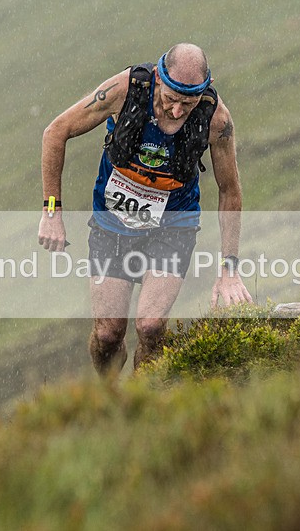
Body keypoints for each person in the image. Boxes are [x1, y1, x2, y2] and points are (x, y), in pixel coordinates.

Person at [38, 43, 252, 376]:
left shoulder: (216, 119)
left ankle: (144, 403)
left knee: (151, 327)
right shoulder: (125, 90)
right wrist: (52, 211)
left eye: (188, 102)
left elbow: (230, 192)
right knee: (108, 334)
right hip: (113, 224)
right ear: (158, 76)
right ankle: (110, 396)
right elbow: (55, 132)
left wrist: (229, 270)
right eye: (170, 99)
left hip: (173, 226)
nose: (178, 112)